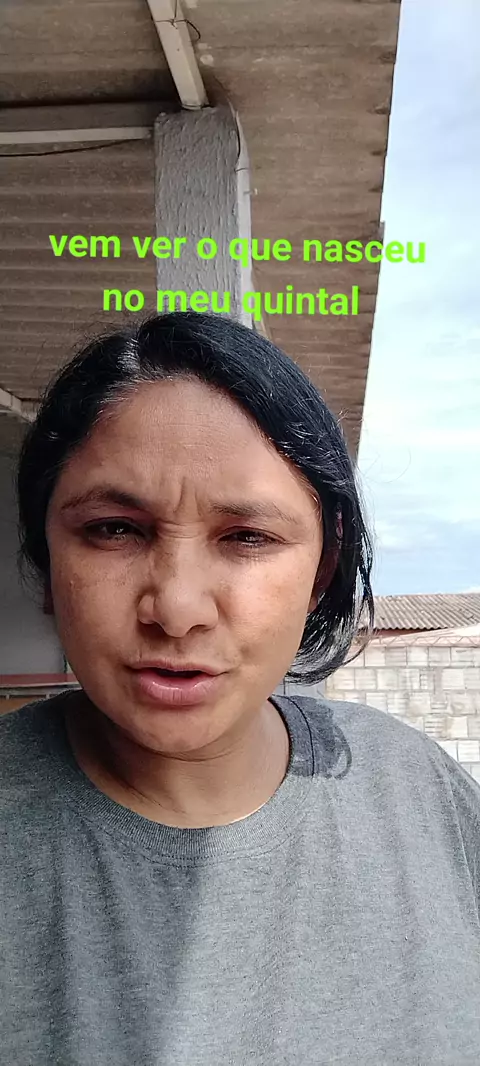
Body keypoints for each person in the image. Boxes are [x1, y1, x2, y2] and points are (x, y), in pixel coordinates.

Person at [1, 311, 479, 1066]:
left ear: (322, 570)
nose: (177, 609)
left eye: (247, 537)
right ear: (46, 552)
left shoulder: (420, 794)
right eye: (116, 529)